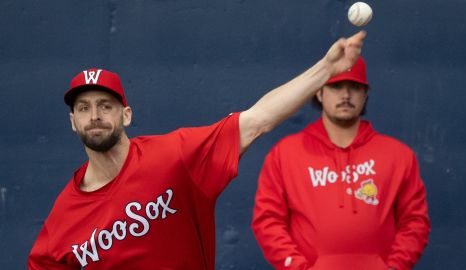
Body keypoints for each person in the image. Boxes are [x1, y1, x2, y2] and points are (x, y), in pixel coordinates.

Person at [27, 32, 366, 269]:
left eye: (105, 105)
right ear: (73, 122)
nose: (95, 115)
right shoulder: (64, 215)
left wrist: (326, 69)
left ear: (126, 115)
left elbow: (258, 119)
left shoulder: (175, 156)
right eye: (83, 108)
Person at [251, 56, 431, 270]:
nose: (346, 95)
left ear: (365, 95)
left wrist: (394, 267)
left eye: (354, 87)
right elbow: (268, 221)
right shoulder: (285, 154)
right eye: (336, 86)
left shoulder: (398, 155)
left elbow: (414, 222)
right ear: (319, 92)